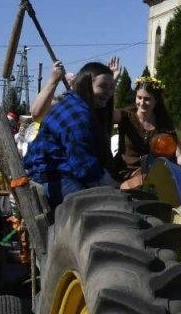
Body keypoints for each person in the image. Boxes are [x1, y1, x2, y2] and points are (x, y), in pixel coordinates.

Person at [24, 61, 119, 210]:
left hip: (57, 176)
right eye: (102, 86)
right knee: (112, 207)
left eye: (112, 87)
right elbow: (84, 166)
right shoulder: (77, 115)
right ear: (87, 85)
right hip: (54, 180)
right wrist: (112, 183)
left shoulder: (73, 104)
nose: (108, 92)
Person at [112, 74, 176, 188]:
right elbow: (109, 113)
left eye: (147, 99)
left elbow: (176, 149)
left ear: (156, 101)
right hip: (126, 171)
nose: (141, 102)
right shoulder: (126, 116)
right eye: (139, 97)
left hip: (153, 172)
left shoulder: (163, 122)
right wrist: (112, 82)